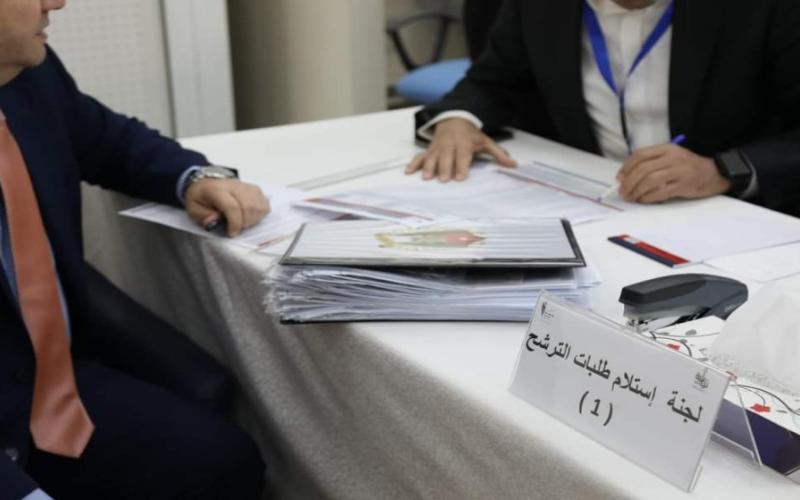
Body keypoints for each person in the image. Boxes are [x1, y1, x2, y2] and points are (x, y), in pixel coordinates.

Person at [0, 0, 269, 498]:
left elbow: (107, 141)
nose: (56, 2)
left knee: (223, 462)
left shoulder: (26, 72)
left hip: (47, 386)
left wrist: (194, 177)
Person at [407, 0, 800, 216]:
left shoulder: (765, 9)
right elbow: (493, 80)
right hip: (595, 207)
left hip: (731, 217)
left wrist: (721, 171)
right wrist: (458, 120)